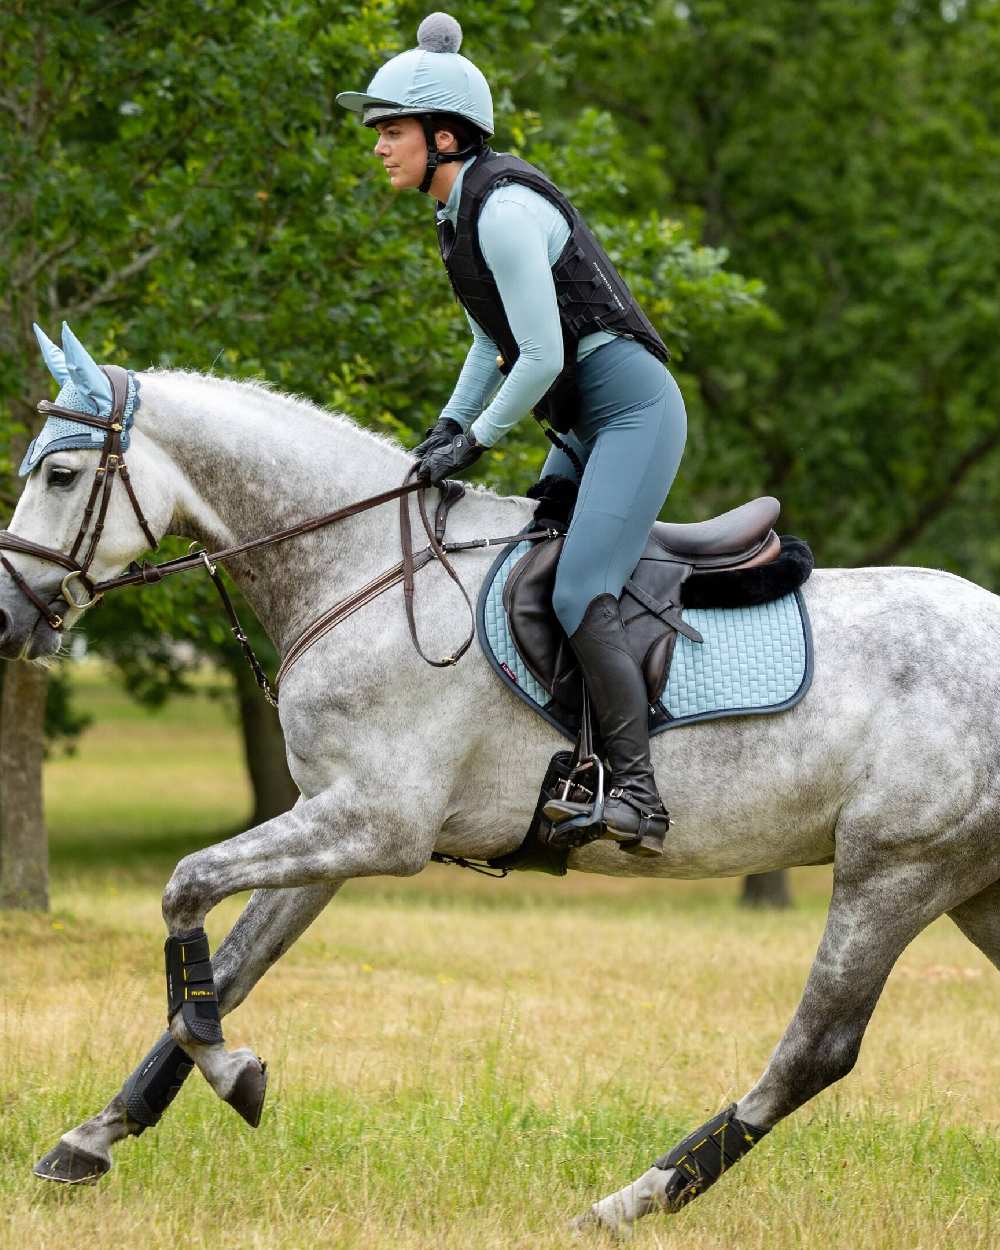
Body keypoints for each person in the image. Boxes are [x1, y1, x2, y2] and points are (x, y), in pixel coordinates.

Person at [337, 13, 687, 856]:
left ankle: (640, 797)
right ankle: (566, 759)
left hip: (632, 412)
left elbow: (542, 353)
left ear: (445, 134)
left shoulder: (499, 212)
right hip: (582, 422)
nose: (379, 146)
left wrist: (481, 437)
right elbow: (487, 343)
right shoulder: (456, 217)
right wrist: (450, 424)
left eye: (392, 130)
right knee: (519, 559)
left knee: (575, 590)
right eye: (378, 131)